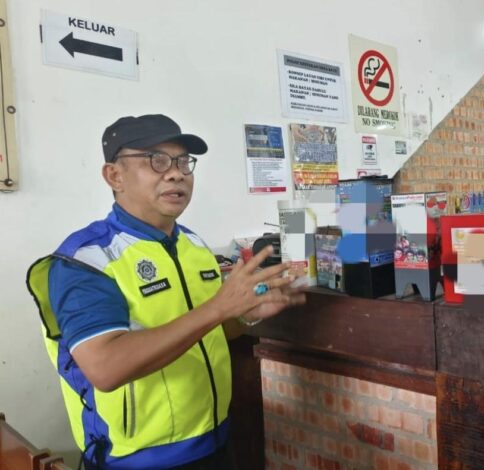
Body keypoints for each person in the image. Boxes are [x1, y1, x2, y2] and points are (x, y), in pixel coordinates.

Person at [26, 114, 305, 469]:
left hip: (215, 440)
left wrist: (245, 315)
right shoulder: (87, 260)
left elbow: (207, 331)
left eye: (183, 162)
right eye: (156, 160)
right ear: (114, 176)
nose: (176, 174)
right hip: (137, 461)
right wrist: (219, 307)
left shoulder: (193, 245)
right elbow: (105, 368)